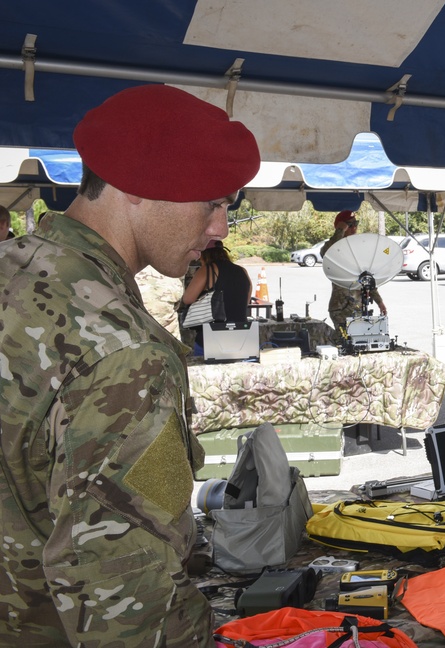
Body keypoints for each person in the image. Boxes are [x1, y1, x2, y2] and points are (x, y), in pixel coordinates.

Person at [0, 85, 260, 645]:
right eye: (211, 202)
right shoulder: (125, 352)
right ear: (138, 188)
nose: (221, 228)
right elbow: (126, 604)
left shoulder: (13, 269)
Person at [181, 240, 253, 352]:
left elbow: (187, 299)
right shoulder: (242, 271)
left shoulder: (207, 269)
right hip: (241, 334)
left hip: (212, 336)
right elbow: (246, 301)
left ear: (204, 255)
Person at [327, 218, 387, 337]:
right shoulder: (335, 247)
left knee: (359, 341)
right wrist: (340, 231)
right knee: (344, 342)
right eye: (350, 224)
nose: (354, 227)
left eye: (356, 224)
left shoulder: (358, 249)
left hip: (358, 307)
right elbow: (326, 252)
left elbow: (367, 278)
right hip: (340, 308)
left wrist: (379, 302)